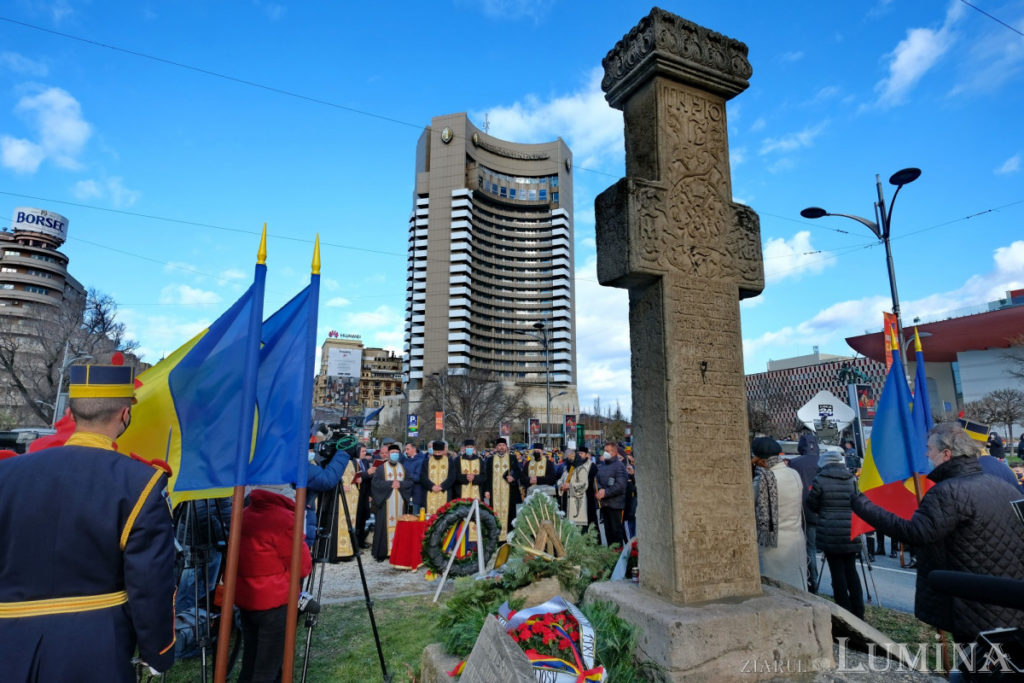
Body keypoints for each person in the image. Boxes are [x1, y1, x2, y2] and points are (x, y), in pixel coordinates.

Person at [0, 363, 176, 681]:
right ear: (125, 414)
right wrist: (158, 651)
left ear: (71, 410)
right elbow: (150, 584)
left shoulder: (6, 474)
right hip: (96, 649)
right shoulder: (141, 483)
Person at [852, 422, 1024, 644]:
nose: (927, 454)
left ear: (946, 454)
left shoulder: (948, 492)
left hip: (972, 604)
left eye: (930, 449)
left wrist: (864, 506)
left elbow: (915, 533)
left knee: (977, 668)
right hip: (1007, 599)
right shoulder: (1002, 486)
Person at [236, 484, 312, 683]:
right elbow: (302, 566)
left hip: (247, 599)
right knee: (268, 667)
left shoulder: (244, 514)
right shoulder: (284, 519)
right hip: (275, 603)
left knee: (250, 660)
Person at [807, 451, 864, 618]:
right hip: (850, 529)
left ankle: (844, 611)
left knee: (837, 571)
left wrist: (824, 511)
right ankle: (859, 611)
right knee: (851, 570)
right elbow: (857, 501)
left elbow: (811, 503)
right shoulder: (851, 478)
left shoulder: (820, 479)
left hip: (830, 529)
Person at [751, 437, 807, 592]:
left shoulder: (763, 480)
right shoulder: (793, 473)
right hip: (795, 540)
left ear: (760, 459)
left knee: (776, 590)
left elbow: (746, 500)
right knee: (797, 589)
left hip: (771, 545)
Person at [786, 438, 820, 592]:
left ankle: (811, 582)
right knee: (816, 549)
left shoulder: (795, 463)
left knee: (807, 548)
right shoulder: (822, 461)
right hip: (823, 511)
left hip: (803, 511)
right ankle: (816, 581)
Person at [370, 444, 413, 561]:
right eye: (392, 452)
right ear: (388, 454)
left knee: (399, 526)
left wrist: (401, 484)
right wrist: (390, 484)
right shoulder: (381, 468)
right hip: (386, 502)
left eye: (396, 452)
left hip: (400, 503)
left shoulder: (403, 468)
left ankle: (398, 551)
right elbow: (375, 483)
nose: (394, 454)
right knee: (383, 527)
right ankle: (383, 553)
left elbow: (410, 482)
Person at [486, 439, 522, 540]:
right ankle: (495, 539)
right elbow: (487, 476)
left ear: (506, 447)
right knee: (494, 514)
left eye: (503, 445)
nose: (501, 447)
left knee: (510, 515)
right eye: (499, 445)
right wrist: (487, 490)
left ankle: (509, 539)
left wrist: (513, 477)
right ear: (496, 448)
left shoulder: (512, 458)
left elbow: (519, 472)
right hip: (494, 494)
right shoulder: (490, 460)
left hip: (509, 493)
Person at [595, 443, 629, 546]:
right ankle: (610, 557)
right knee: (608, 533)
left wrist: (606, 492)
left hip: (616, 505)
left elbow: (621, 485)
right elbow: (597, 480)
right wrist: (600, 490)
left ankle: (618, 557)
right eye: (604, 450)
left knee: (616, 533)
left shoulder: (619, 466)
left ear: (614, 452)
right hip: (605, 505)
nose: (604, 453)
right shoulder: (602, 466)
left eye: (607, 450)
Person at [559, 446, 598, 536]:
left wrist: (570, 486)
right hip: (566, 502)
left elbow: (584, 484)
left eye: (570, 458)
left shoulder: (581, 469)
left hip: (577, 502)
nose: (568, 460)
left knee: (579, 530)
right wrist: (561, 486)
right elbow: (561, 480)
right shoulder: (569, 469)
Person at [420, 440, 456, 516]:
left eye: (439, 452)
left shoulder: (449, 461)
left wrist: (442, 486)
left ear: (443, 451)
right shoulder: (427, 461)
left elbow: (452, 476)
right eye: (435, 452)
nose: (437, 454)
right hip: (430, 492)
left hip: (445, 492)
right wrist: (432, 486)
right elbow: (423, 477)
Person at [402, 441, 426, 512]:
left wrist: (405, 475)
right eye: (405, 449)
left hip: (416, 494)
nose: (406, 451)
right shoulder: (406, 460)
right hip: (406, 493)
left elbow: (418, 477)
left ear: (414, 449)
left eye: (407, 449)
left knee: (415, 516)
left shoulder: (421, 460)